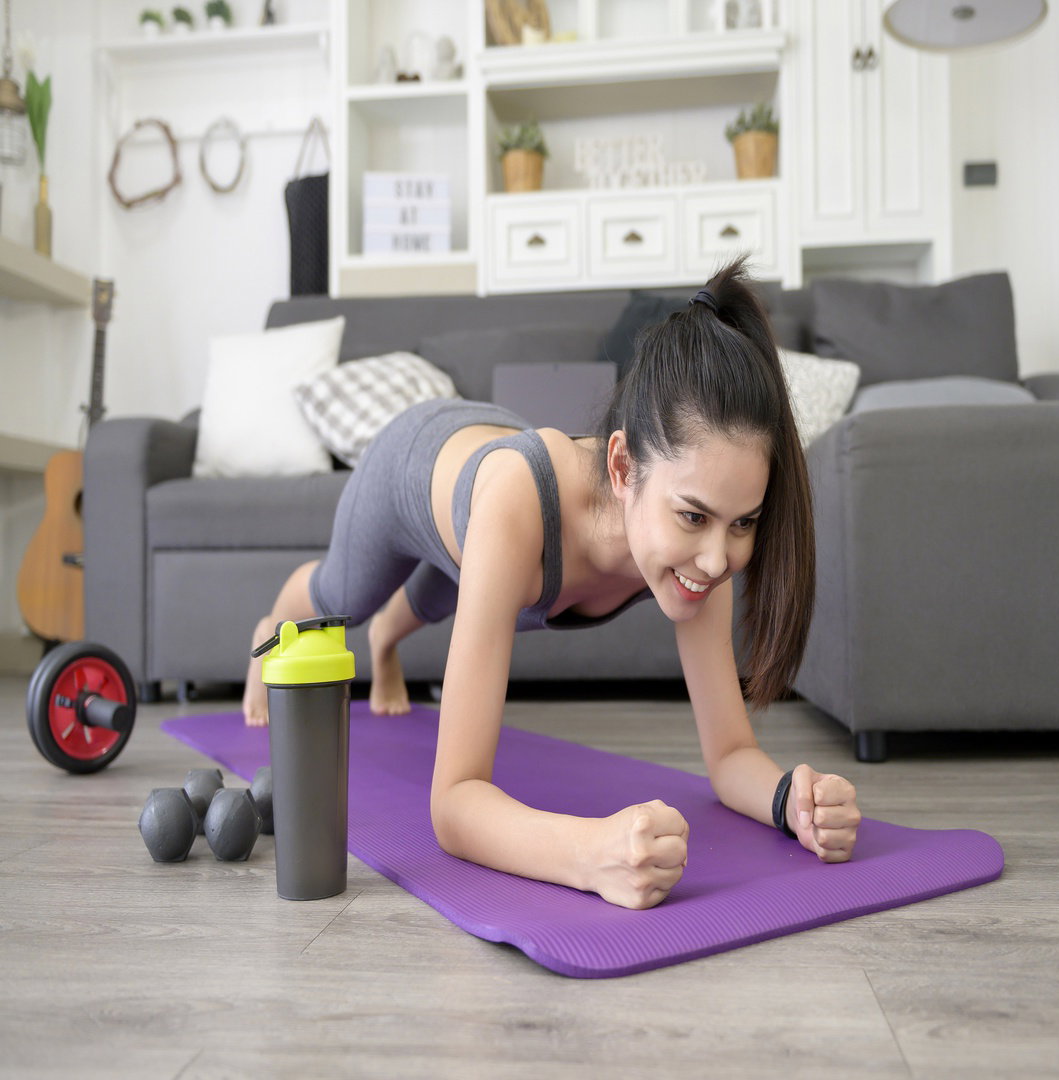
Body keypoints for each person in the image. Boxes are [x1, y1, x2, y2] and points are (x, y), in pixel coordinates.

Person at [243, 257, 861, 910]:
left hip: (488, 495)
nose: (716, 559)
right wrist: (589, 856)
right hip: (410, 463)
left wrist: (788, 797)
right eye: (693, 517)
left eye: (745, 524)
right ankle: (271, 628)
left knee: (437, 594)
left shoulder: (703, 545)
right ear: (623, 468)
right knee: (342, 600)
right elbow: (453, 803)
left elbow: (731, 751)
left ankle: (388, 645)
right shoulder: (520, 504)